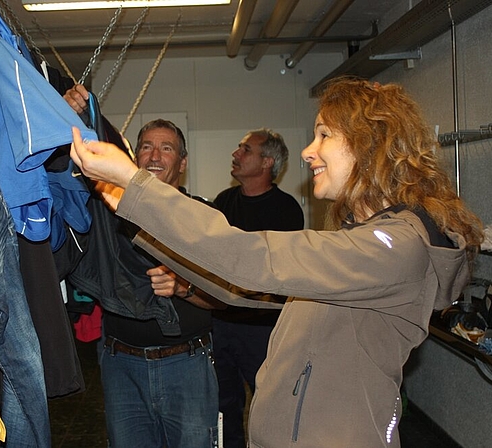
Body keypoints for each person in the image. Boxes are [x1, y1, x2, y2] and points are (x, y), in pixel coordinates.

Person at [68, 77, 484, 447]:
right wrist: (139, 213)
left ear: (368, 143)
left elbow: (252, 259)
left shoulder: (394, 246)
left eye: (324, 135)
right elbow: (249, 287)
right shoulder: (367, 241)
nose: (308, 151)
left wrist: (135, 184)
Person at [65, 85, 221, 448]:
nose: (154, 155)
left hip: (188, 367)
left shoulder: (206, 217)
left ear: (182, 162)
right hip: (122, 366)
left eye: (166, 148)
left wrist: (185, 288)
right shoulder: (110, 209)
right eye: (146, 147)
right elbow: (70, 169)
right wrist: (70, 118)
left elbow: (226, 299)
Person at [212, 128, 304, 448]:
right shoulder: (223, 202)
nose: (236, 154)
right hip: (221, 323)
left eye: (245, 149)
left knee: (269, 407)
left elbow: (282, 273)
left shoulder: (287, 209)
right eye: (238, 148)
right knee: (224, 407)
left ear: (267, 162)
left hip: (263, 329)